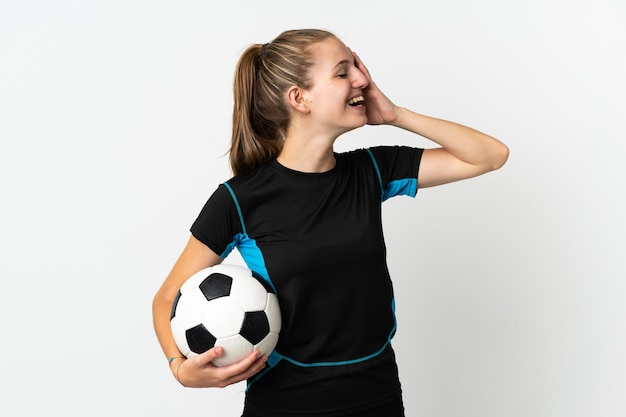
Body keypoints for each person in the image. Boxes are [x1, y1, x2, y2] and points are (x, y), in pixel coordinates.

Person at [152, 28, 509, 417]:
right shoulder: (240, 199)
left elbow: (489, 156)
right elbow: (167, 297)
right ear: (299, 98)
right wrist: (180, 370)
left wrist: (396, 115)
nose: (361, 80)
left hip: (378, 396)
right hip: (285, 406)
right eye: (343, 72)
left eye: (356, 67)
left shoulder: (372, 170)